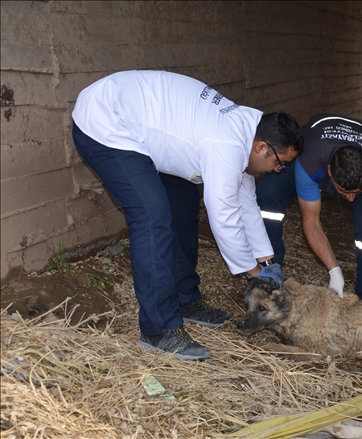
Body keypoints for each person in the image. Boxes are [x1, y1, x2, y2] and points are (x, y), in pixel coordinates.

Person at [71, 70, 303, 360]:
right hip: (106, 120)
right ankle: (159, 329)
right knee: (152, 216)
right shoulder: (228, 144)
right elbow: (223, 211)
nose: (276, 171)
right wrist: (253, 271)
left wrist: (266, 258)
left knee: (182, 202)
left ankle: (184, 299)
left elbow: (244, 200)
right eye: (280, 164)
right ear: (261, 147)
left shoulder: (248, 132)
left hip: (143, 129)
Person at [256, 113, 362, 326]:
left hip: (358, 160)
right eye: (344, 192)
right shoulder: (309, 164)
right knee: (268, 195)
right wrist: (335, 272)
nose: (350, 198)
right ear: (329, 172)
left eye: (357, 192)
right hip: (312, 151)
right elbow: (311, 221)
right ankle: (268, 276)